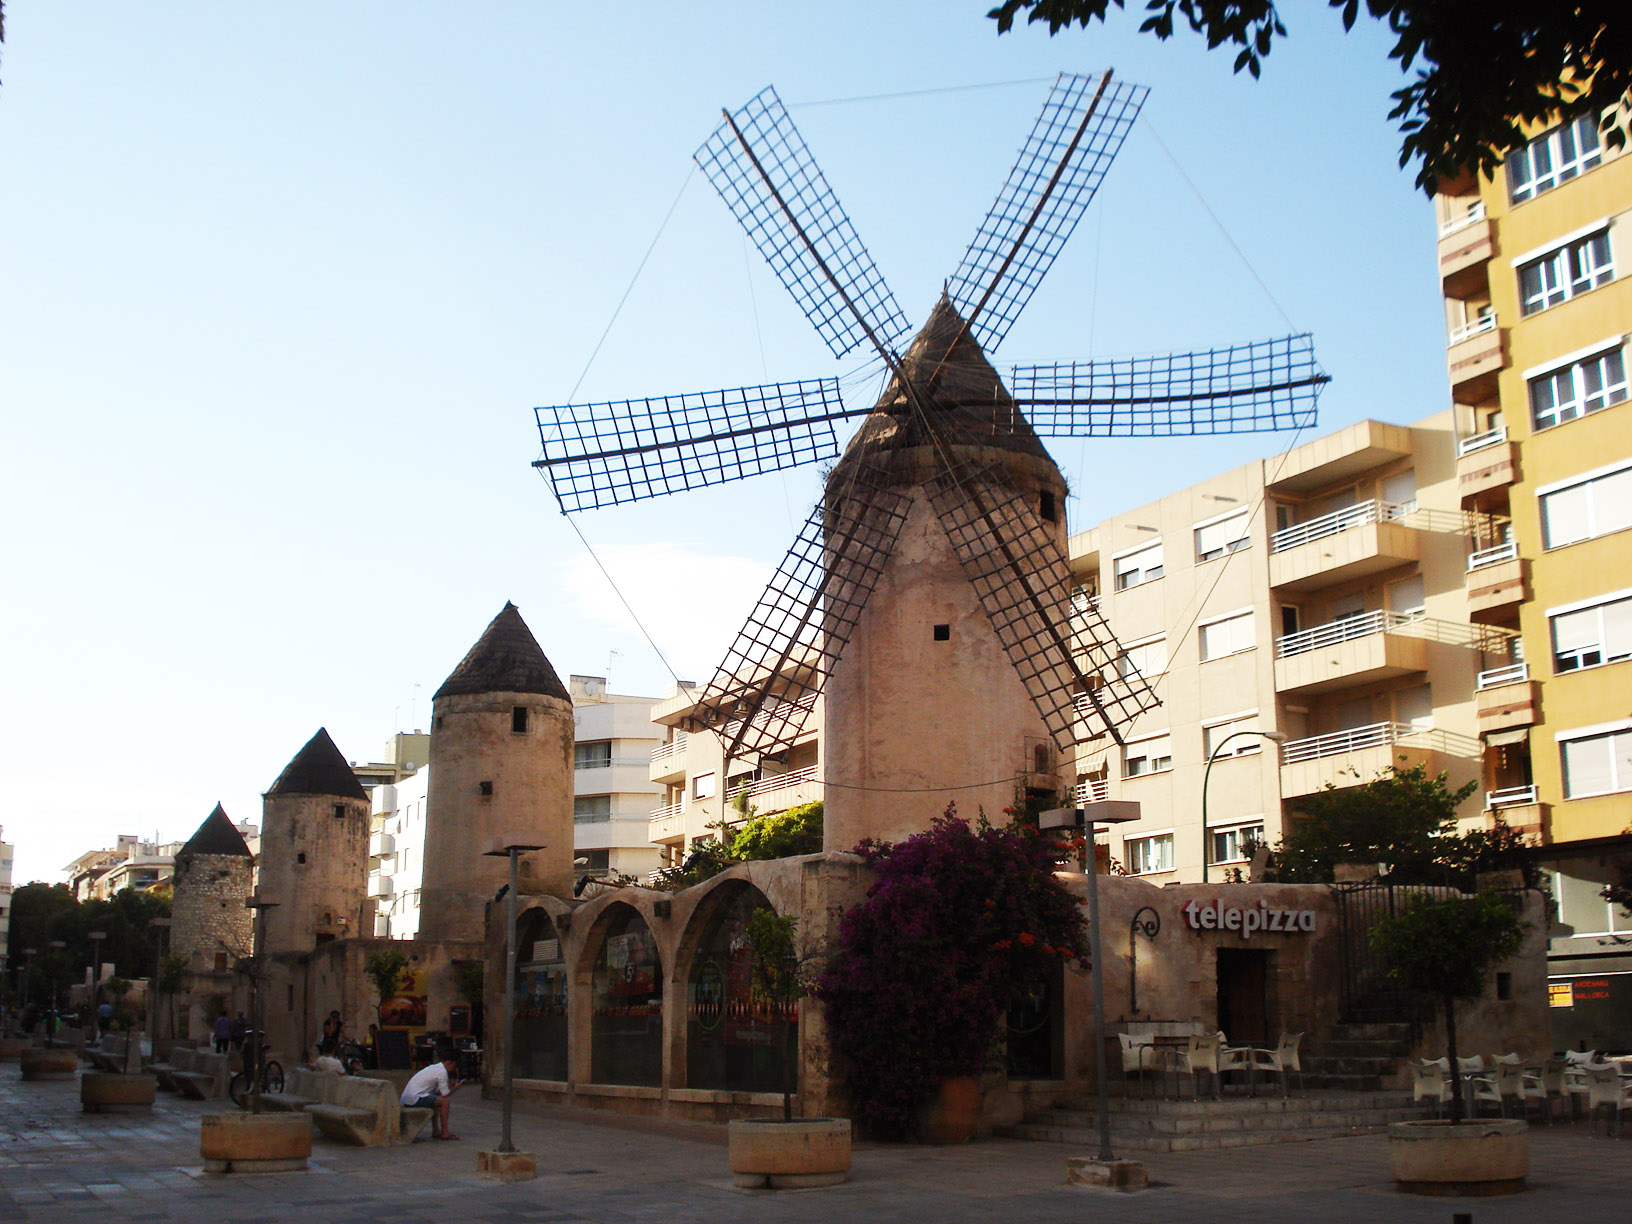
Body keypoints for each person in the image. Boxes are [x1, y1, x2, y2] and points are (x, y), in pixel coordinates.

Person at [399, 1049, 461, 1140]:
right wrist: (455, 1088)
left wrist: (450, 1086)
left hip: (409, 1098)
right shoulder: (442, 1072)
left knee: (436, 1101)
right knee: (445, 1102)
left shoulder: (435, 1068)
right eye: (454, 1065)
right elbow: (445, 1095)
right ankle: (445, 1132)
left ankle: (436, 1130)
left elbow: (437, 1092)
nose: (454, 1068)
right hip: (414, 1098)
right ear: (449, 1062)